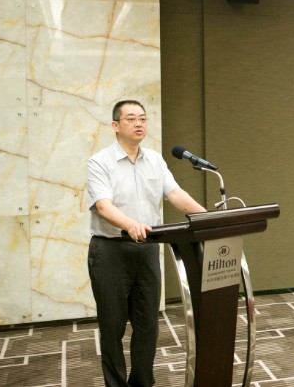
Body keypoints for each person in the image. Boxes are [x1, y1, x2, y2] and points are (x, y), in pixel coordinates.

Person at [86, 100, 206, 386]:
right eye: (130, 119)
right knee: (112, 326)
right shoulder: (100, 162)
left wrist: (208, 217)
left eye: (142, 118)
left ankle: (142, 383)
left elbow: (176, 195)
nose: (138, 123)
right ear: (115, 125)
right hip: (111, 251)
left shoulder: (155, 160)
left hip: (148, 250)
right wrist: (130, 225)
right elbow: (103, 206)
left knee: (147, 325)